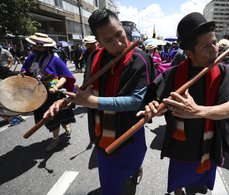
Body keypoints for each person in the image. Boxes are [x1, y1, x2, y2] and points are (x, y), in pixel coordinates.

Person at [44, 9, 156, 195]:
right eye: (108, 41)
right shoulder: (94, 57)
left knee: (129, 168)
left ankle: (132, 173)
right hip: (101, 129)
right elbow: (85, 91)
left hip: (129, 129)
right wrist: (65, 101)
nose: (118, 43)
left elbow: (136, 101)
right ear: (99, 41)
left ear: (121, 26)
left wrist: (93, 102)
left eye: (119, 34)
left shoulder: (140, 59)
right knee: (110, 181)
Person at [138, 12, 229, 195]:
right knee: (179, 181)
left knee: (202, 181)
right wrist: (154, 109)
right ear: (189, 52)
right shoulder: (173, 74)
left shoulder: (222, 72)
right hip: (181, 145)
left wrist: (197, 111)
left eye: (214, 42)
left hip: (209, 142)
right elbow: (160, 105)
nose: (215, 49)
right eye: (207, 46)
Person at [21, 32, 76, 152]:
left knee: (57, 115)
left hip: (53, 93)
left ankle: (57, 136)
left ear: (47, 47)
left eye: (40, 46)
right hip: (38, 93)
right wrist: (24, 73)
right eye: (35, 46)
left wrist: (56, 86)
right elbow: (25, 69)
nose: (37, 48)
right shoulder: (31, 58)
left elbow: (65, 76)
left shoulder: (55, 60)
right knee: (46, 117)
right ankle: (56, 135)